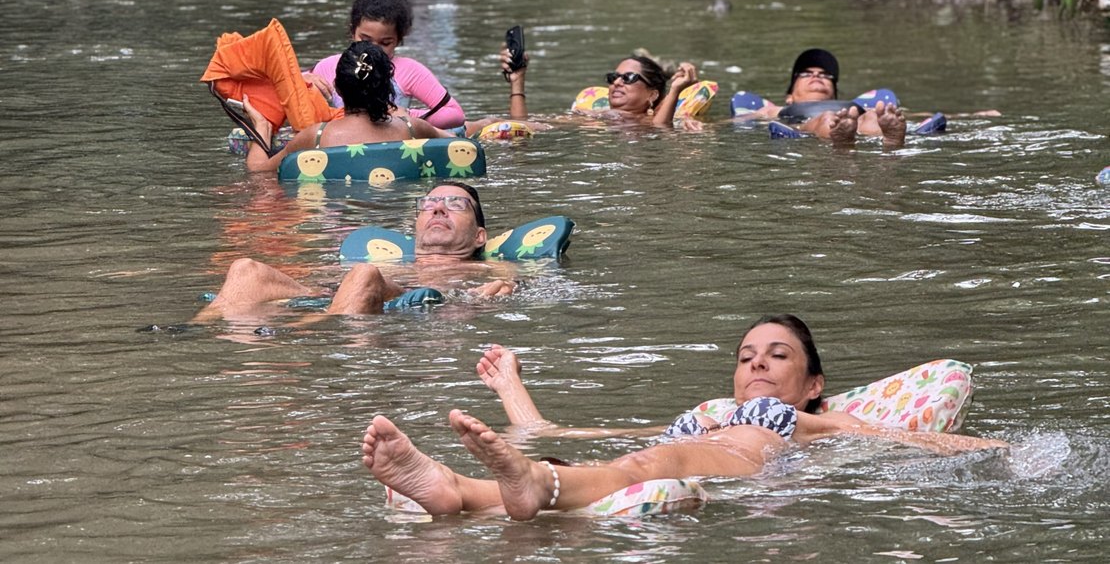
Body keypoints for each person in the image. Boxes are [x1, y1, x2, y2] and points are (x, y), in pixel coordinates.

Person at [361, 315, 1010, 518]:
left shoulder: (798, 418)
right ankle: (458, 491)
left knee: (648, 463)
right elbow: (557, 433)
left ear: (814, 385)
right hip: (689, 453)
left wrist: (999, 448)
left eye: (778, 355)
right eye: (746, 357)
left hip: (742, 465)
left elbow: (889, 435)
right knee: (618, 460)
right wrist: (510, 386)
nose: (757, 364)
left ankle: (534, 484)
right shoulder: (709, 416)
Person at [195, 182, 516, 322]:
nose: (439, 209)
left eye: (456, 205)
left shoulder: (486, 270)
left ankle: (307, 329)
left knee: (365, 274)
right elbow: (320, 283)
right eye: (429, 204)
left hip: (403, 307)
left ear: (479, 237)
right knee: (246, 268)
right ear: (416, 225)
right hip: (334, 299)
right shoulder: (391, 262)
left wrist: (480, 298)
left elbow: (505, 289)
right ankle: (197, 327)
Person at [239, 41, 456, 172]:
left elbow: (259, 171)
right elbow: (458, 144)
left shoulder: (315, 137)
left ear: (337, 89)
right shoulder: (412, 129)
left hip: (337, 228)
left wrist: (260, 127)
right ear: (388, 89)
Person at [306, 0, 465, 130]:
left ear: (399, 40)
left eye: (385, 43)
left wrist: (407, 116)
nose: (373, 50)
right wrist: (303, 81)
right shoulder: (328, 67)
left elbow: (454, 113)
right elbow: (292, 93)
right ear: (352, 31)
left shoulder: (410, 71)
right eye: (365, 40)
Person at [750, 48, 908, 149]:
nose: (816, 76)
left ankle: (891, 140)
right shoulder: (775, 109)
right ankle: (841, 140)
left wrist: (891, 118)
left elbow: (900, 115)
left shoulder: (853, 107)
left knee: (873, 116)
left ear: (834, 94)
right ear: (789, 97)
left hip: (851, 118)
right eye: (806, 74)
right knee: (827, 118)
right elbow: (744, 119)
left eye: (825, 75)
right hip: (807, 123)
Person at [503, 48, 700, 128]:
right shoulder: (592, 115)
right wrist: (517, 81)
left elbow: (661, 127)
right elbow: (525, 124)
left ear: (653, 94)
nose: (617, 82)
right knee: (496, 123)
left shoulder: (648, 122)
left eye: (628, 78)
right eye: (613, 77)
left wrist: (675, 90)